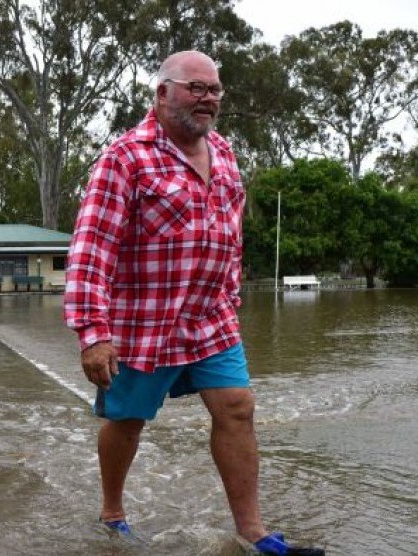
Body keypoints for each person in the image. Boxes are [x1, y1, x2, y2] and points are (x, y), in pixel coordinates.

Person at [63, 50, 325, 556]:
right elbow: (92, 247)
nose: (208, 99)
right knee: (128, 419)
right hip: (145, 321)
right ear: (163, 92)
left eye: (215, 91)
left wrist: (231, 291)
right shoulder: (126, 157)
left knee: (237, 408)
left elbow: (232, 231)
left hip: (211, 318)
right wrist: (93, 332)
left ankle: (252, 531)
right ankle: (112, 510)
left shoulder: (224, 152)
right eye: (196, 88)